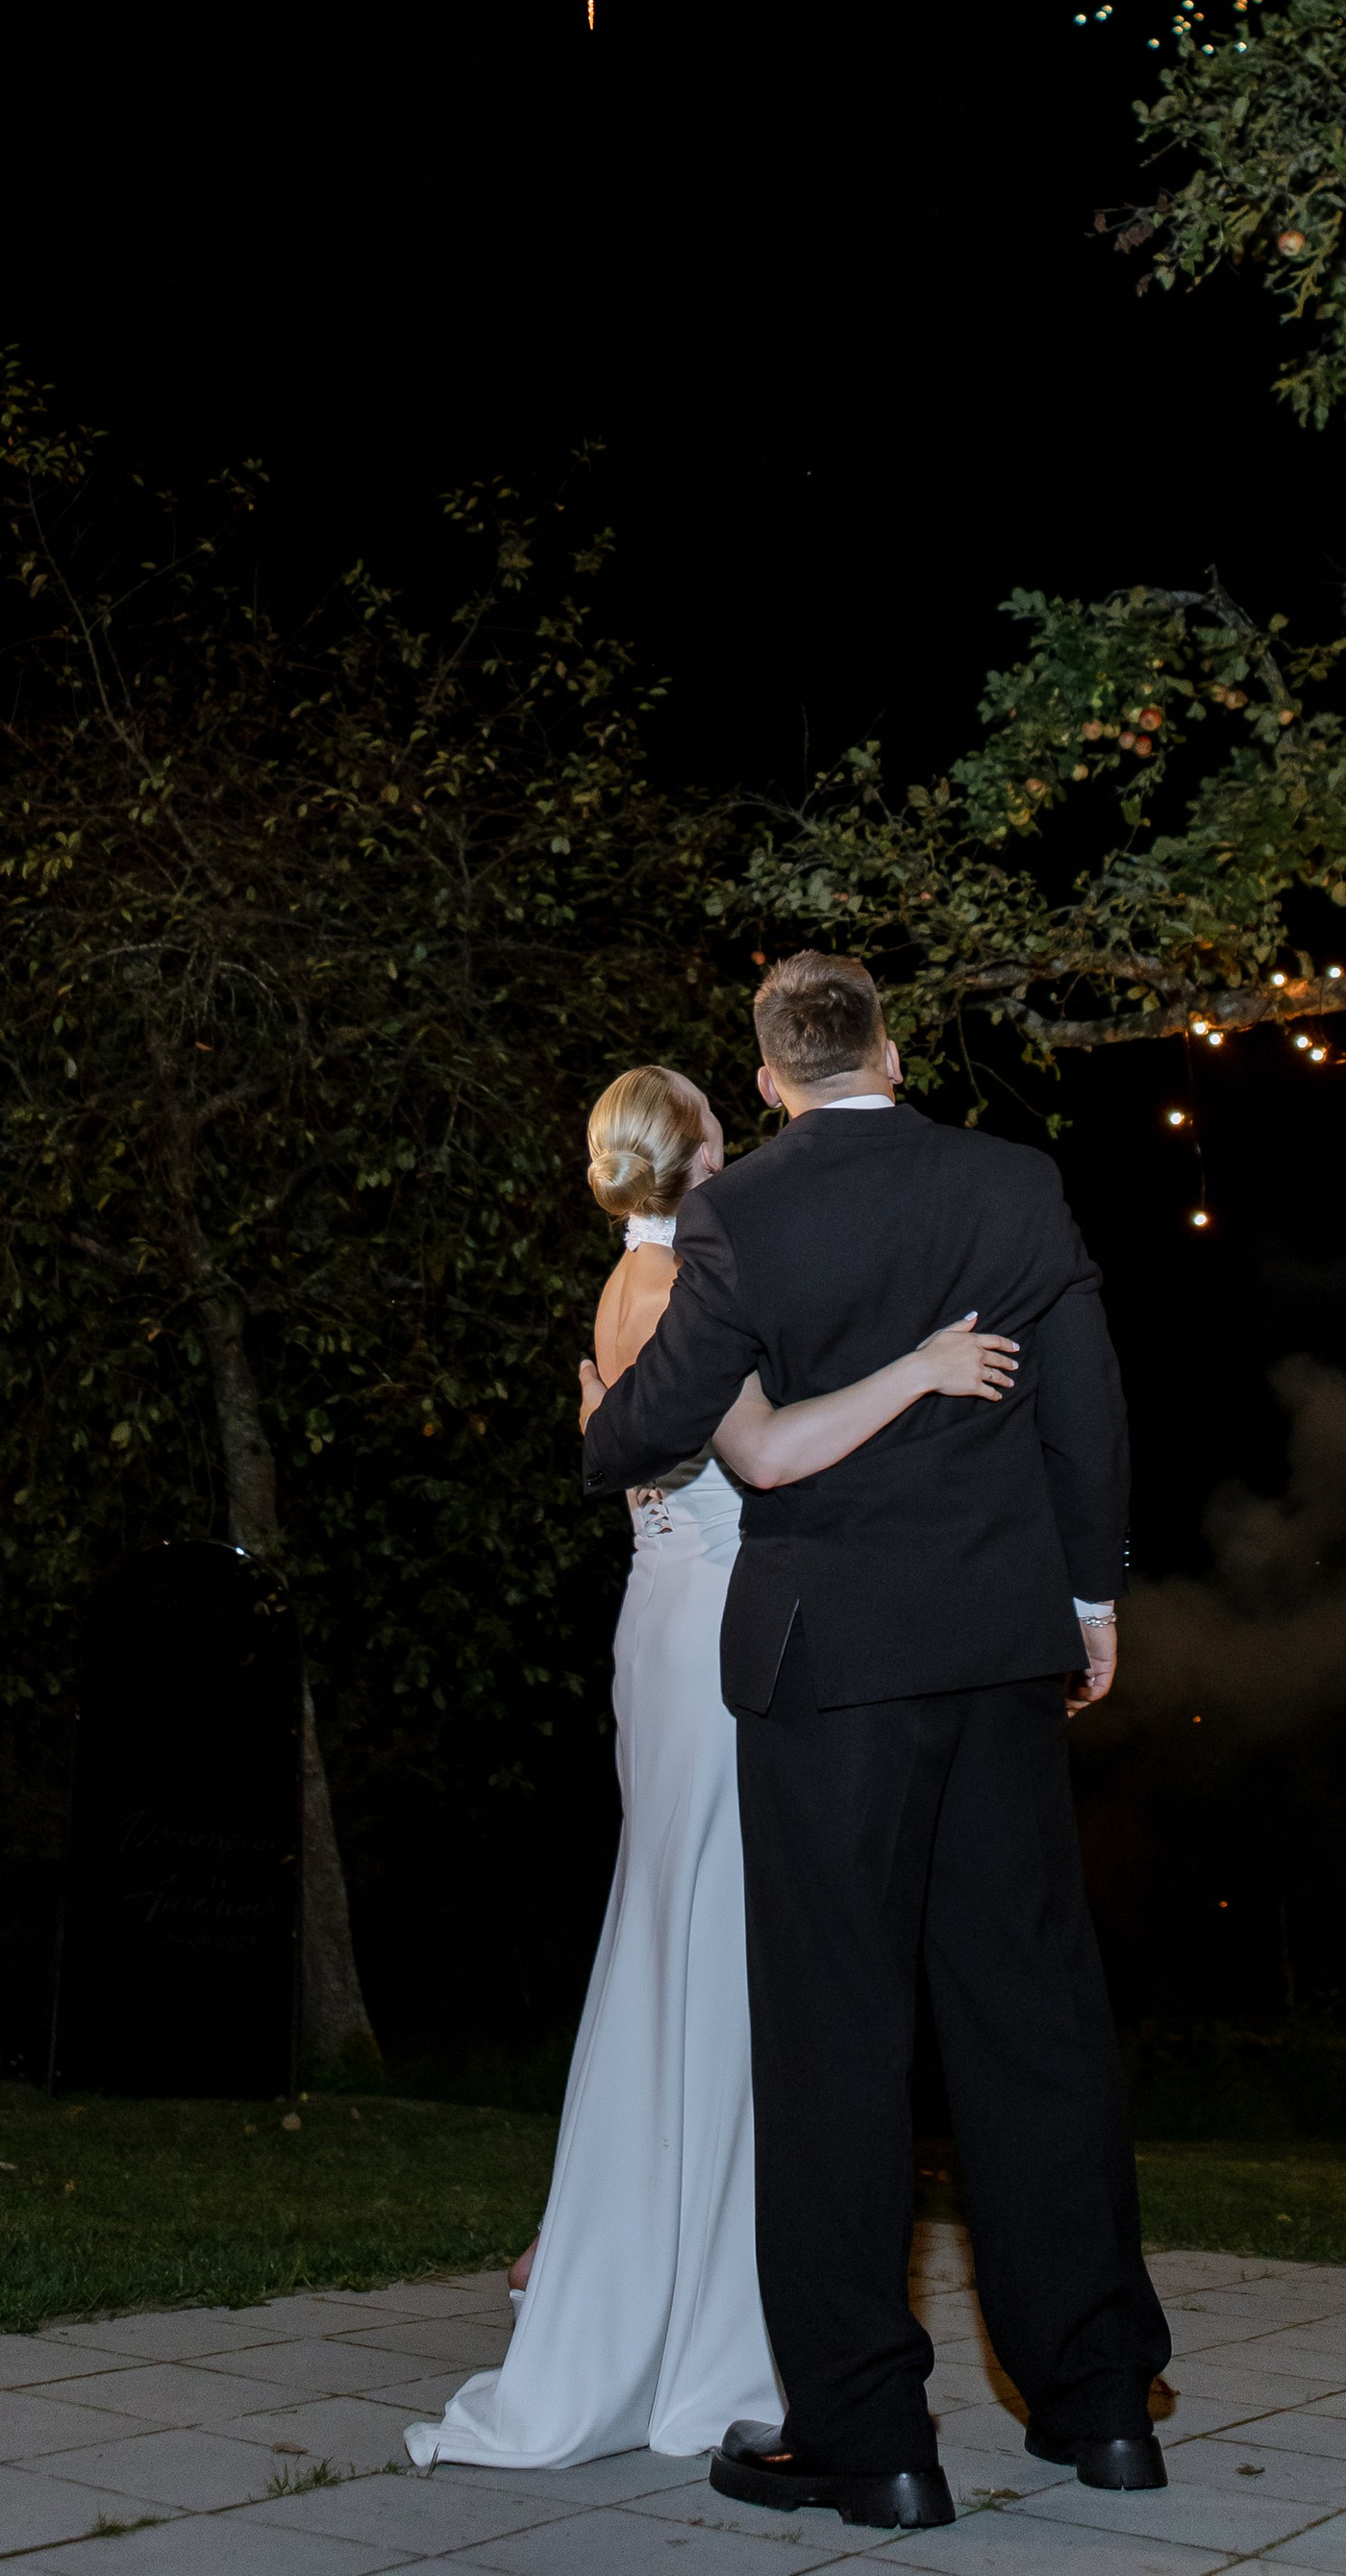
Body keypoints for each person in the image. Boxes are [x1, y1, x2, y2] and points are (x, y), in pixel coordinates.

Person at [581, 951, 1170, 2534]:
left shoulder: (743, 1211)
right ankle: (1102, 2406)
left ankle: (871, 2440)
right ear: (892, 1050)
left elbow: (654, 1422)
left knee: (839, 2043)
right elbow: (1089, 1401)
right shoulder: (1011, 1182)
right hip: (995, 1651)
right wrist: (1089, 1597)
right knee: (1032, 2014)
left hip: (828, 1670)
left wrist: (600, 1417)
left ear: (770, 1079)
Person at [407, 1059, 1020, 2477]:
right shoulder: (682, 1286)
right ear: (691, 1153)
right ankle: (691, 2291)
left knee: (702, 1942)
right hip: (713, 1648)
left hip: (684, 1625)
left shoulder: (649, 1278)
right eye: (716, 1117)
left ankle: (655, 2256)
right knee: (729, 1945)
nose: (738, 1135)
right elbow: (770, 1452)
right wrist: (922, 1368)